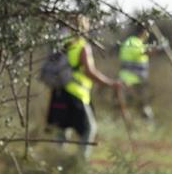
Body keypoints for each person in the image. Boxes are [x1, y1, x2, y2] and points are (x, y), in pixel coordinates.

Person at [46, 16, 120, 158]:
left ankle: (55, 164)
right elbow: (89, 72)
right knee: (89, 129)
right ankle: (80, 165)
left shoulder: (62, 44)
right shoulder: (81, 45)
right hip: (76, 94)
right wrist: (110, 83)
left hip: (59, 93)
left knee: (61, 131)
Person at [117, 22, 160, 121]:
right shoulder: (136, 43)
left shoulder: (127, 41)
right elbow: (147, 52)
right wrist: (161, 47)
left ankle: (129, 124)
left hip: (123, 78)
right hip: (135, 81)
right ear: (144, 32)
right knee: (143, 104)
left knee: (126, 105)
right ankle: (148, 123)